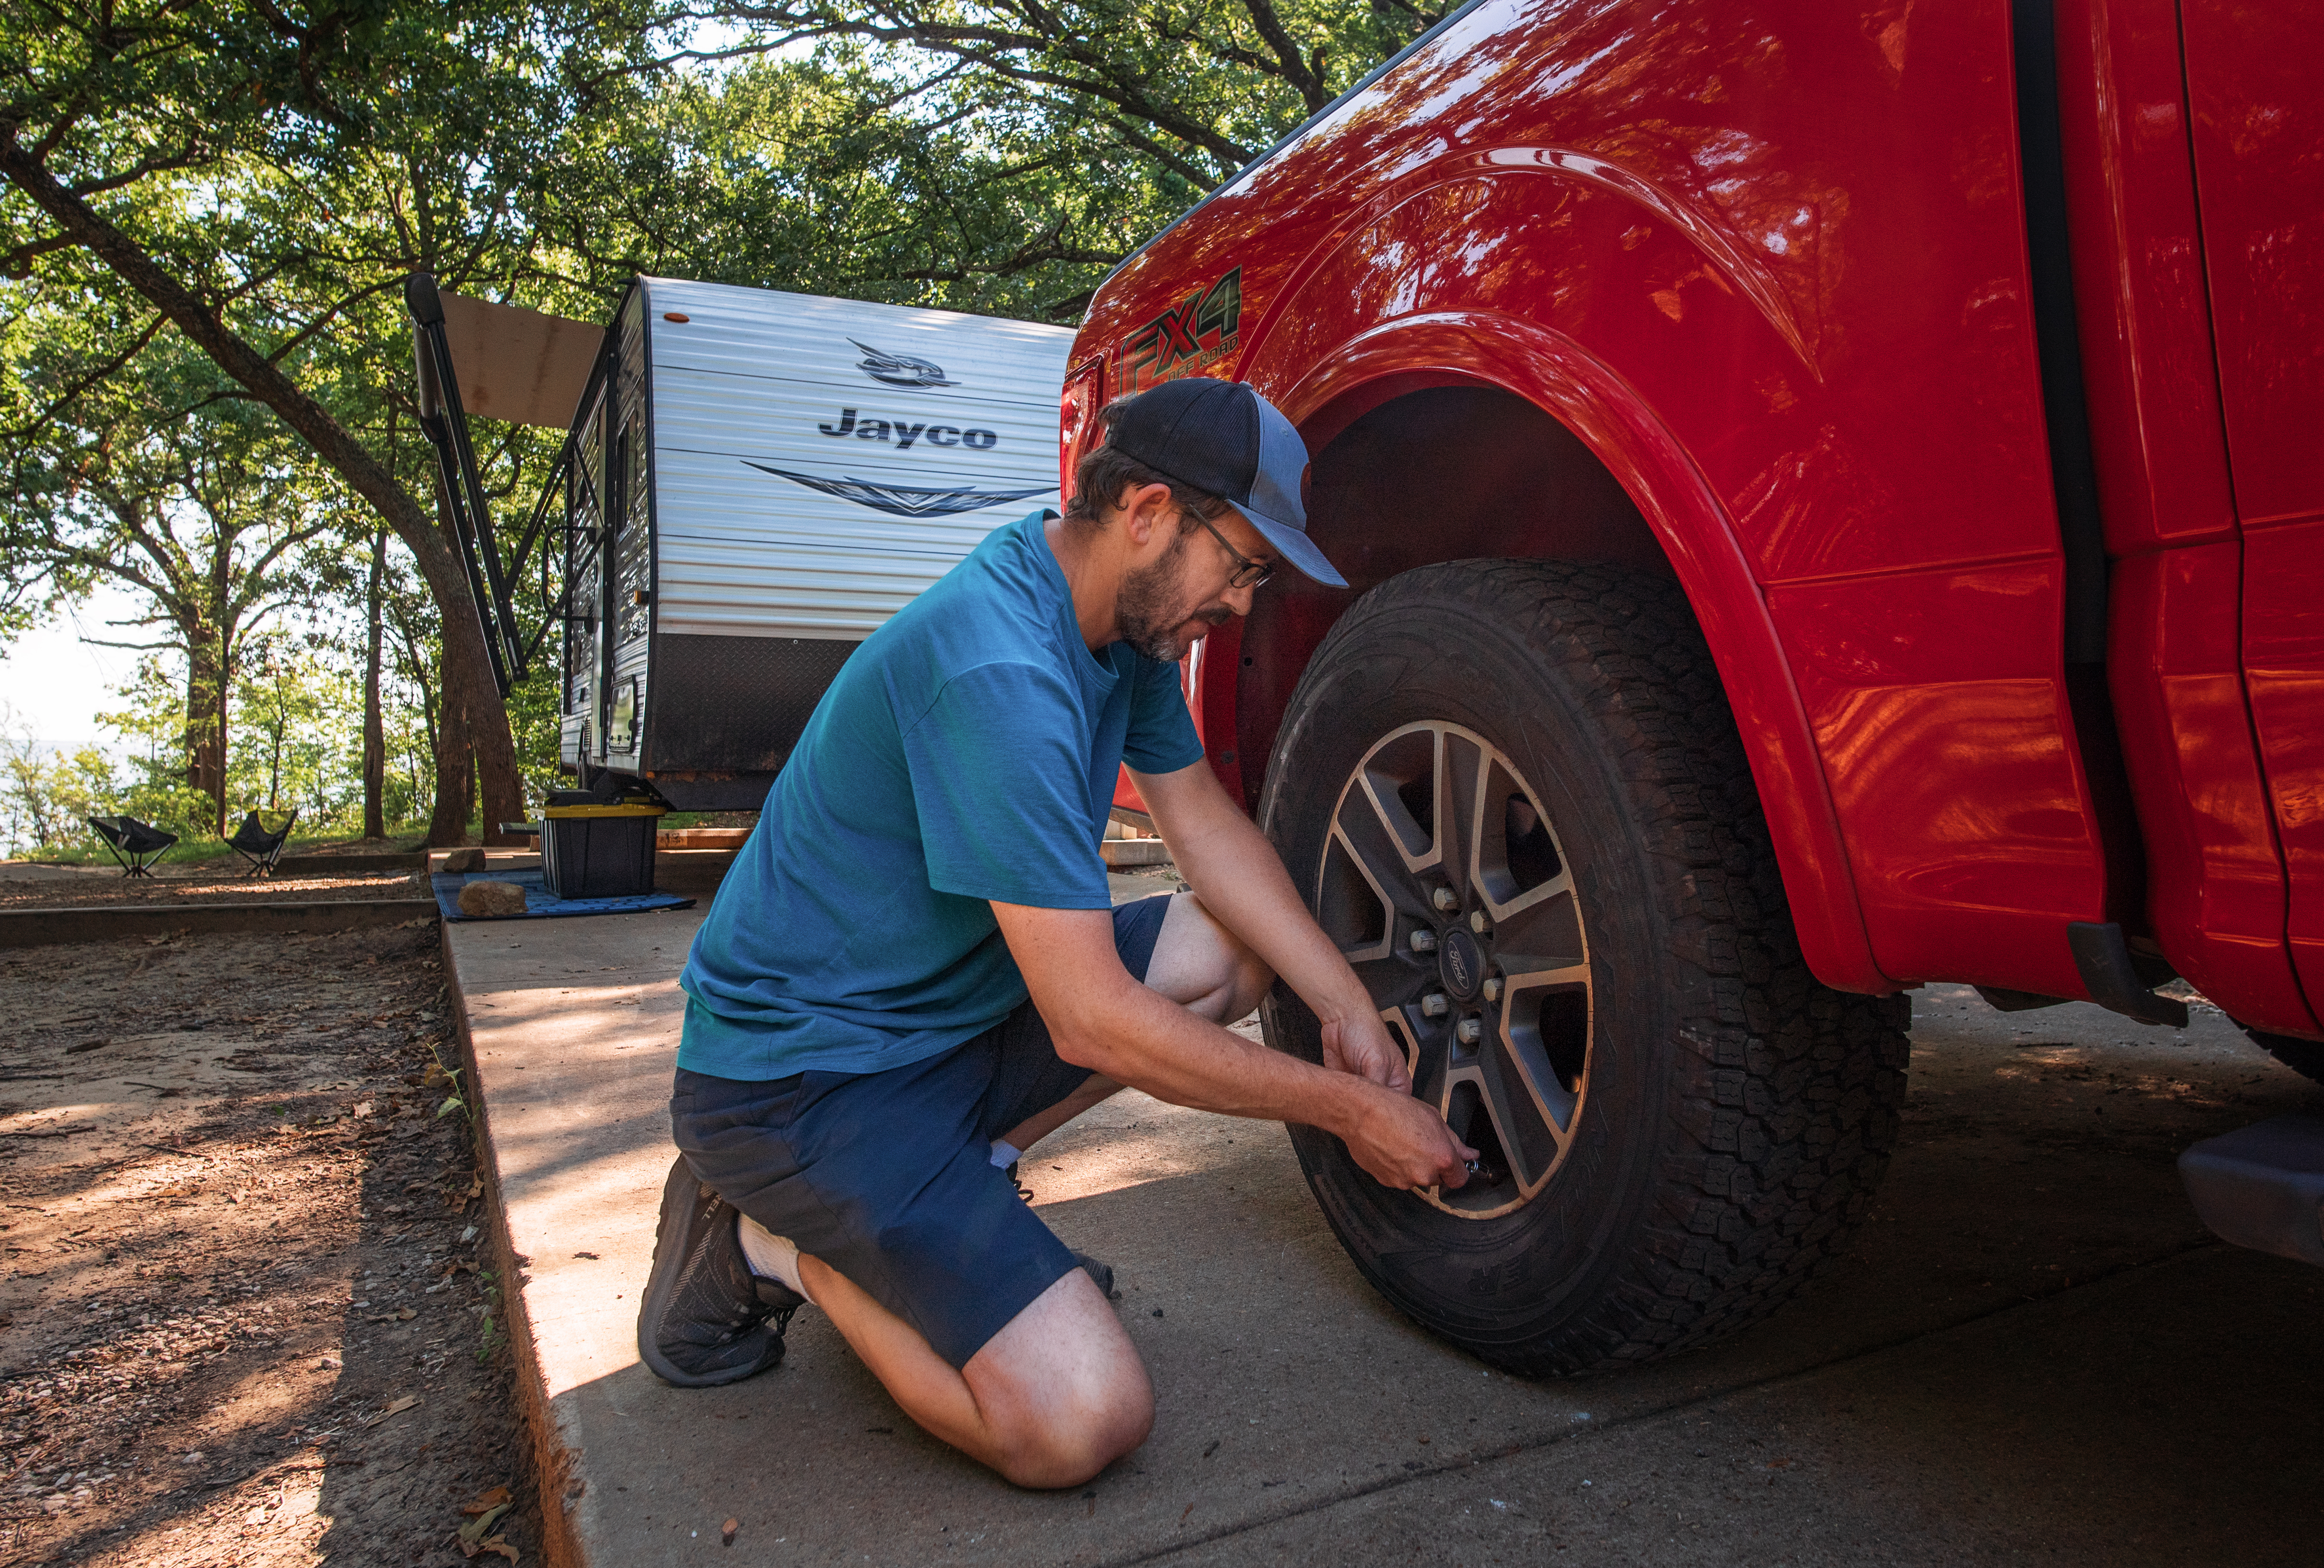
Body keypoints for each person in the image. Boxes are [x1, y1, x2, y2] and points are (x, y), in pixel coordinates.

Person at [637, 376, 1474, 1488]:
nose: (1243, 603)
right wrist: (1348, 1105)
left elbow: (1206, 829)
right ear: (1148, 509)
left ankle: (956, 1202)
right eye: (1243, 561)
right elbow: (1090, 1021)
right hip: (799, 1089)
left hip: (937, 1029)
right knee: (1082, 1418)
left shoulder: (1110, 626)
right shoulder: (1001, 671)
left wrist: (1343, 1006)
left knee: (1227, 944)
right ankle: (770, 1242)